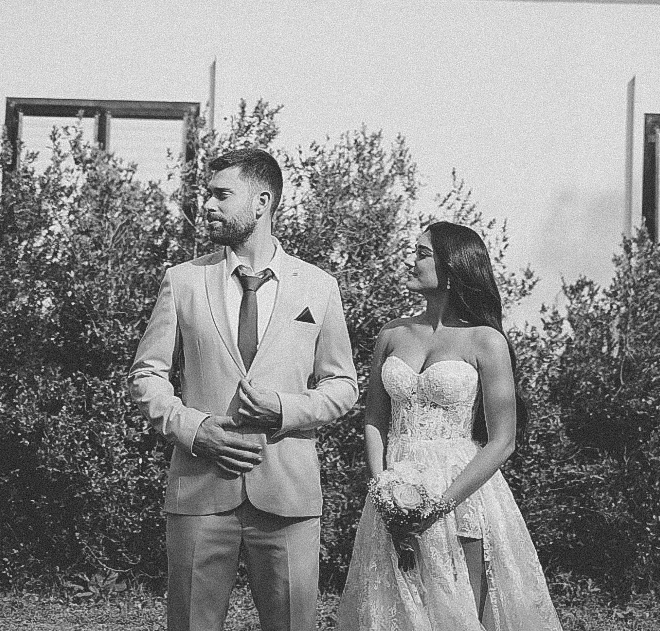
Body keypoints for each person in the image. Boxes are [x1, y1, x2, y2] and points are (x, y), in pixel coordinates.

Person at [129, 148, 358, 631]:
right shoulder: (183, 281)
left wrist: (285, 409)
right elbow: (147, 375)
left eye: (221, 195)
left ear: (262, 202)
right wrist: (195, 430)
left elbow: (342, 385)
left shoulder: (318, 287)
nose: (207, 205)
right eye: (207, 194)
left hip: (288, 496)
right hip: (199, 492)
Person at [336, 222, 563, 631]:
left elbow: (502, 441)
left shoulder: (485, 341)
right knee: (391, 609)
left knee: (457, 612)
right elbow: (374, 419)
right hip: (393, 487)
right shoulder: (392, 334)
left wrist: (440, 506)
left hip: (461, 492)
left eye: (422, 253)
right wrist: (382, 488)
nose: (411, 261)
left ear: (453, 267)